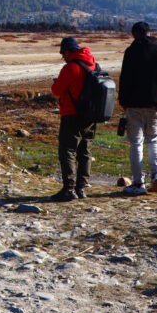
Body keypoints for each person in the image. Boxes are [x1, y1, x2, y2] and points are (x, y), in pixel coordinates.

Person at [118, 21, 157, 196]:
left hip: (134, 105)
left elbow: (124, 80)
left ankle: (138, 182)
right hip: (155, 105)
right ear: (150, 32)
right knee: (153, 140)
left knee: (136, 143)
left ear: (134, 34)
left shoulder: (131, 52)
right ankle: (156, 175)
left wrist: (123, 101)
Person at [49, 36, 97, 201]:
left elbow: (56, 90)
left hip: (72, 114)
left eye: (63, 53)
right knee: (85, 151)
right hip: (90, 115)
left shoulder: (70, 68)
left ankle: (69, 189)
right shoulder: (93, 64)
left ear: (69, 52)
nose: (63, 56)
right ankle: (81, 188)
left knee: (67, 150)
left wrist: (57, 82)